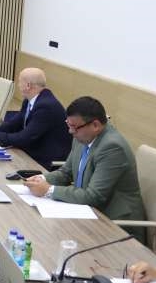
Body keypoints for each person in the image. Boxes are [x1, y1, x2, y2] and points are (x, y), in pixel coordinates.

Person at [24, 96, 146, 241]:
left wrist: (49, 190)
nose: (70, 131)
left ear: (95, 125)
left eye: (74, 127)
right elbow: (66, 173)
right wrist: (41, 179)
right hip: (88, 212)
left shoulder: (112, 147)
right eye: (68, 125)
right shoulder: (82, 136)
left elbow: (93, 196)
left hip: (116, 224)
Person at [0, 68, 72, 169]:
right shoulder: (30, 100)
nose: (18, 85)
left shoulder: (46, 107)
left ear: (28, 85)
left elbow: (24, 138)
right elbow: (14, 125)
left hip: (45, 162)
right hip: (31, 151)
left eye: (20, 82)